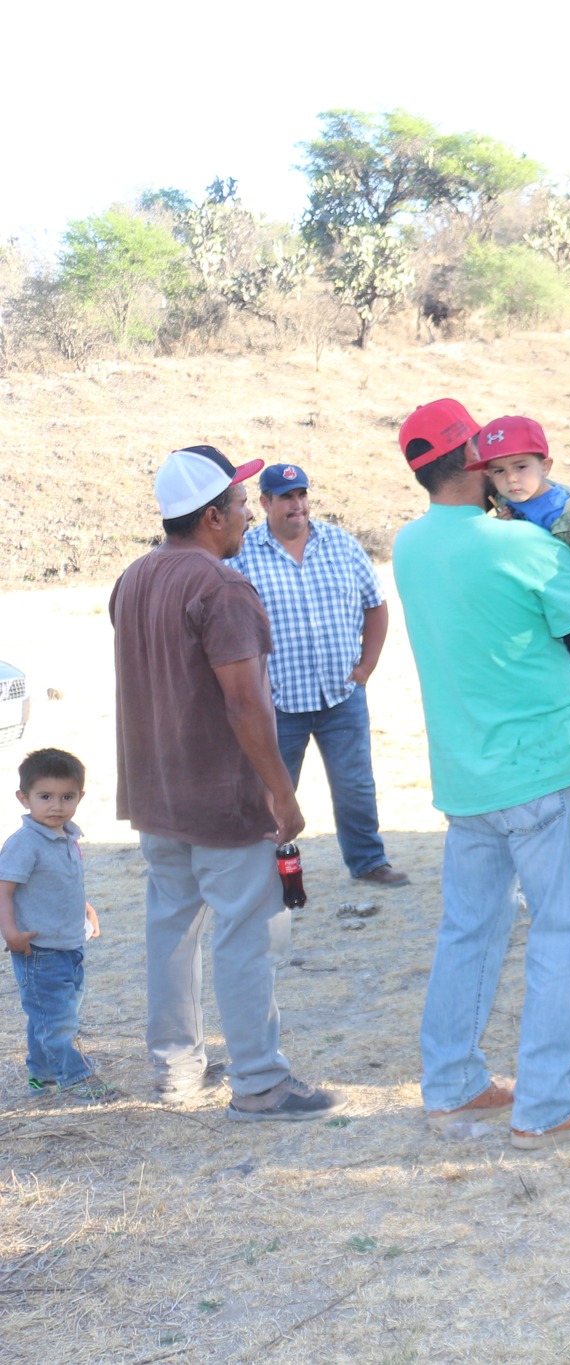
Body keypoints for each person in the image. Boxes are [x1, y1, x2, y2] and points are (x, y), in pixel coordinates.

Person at [393, 399, 570, 1150]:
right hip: (544, 766)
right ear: (475, 461)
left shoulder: (407, 546)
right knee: (564, 930)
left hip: (467, 775)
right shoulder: (516, 548)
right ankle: (548, 1101)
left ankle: (454, 1083)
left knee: (470, 929)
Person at [111, 445, 339, 1120]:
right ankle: (260, 1081)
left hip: (157, 792)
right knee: (247, 933)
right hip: (221, 796)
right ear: (211, 517)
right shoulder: (223, 588)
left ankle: (177, 1071)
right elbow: (245, 703)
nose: (248, 516)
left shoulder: (133, 577)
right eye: (241, 506)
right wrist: (283, 791)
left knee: (171, 930)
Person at [226, 462, 409, 887]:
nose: (297, 505)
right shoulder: (243, 555)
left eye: (302, 495)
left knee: (356, 784)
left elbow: (375, 605)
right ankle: (267, 872)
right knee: (272, 791)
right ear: (265, 502)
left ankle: (368, 861)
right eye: (286, 497)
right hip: (278, 703)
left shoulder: (341, 545)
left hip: (340, 696)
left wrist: (366, 667)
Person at [470, 416, 570, 767]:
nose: (511, 478)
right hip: (532, 606)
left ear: (546, 466)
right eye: (498, 470)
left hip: (566, 601)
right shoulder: (506, 498)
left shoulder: (569, 512)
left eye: (521, 466)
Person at [1, 748, 112, 1100]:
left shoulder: (68, 837)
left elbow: (62, 884)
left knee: (50, 1015)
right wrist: (11, 933)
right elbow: (4, 891)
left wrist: (86, 909)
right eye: (45, 797)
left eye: (67, 797)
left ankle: (42, 1074)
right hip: (39, 948)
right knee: (58, 1020)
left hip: (70, 945)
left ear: (80, 796)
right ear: (24, 797)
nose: (56, 806)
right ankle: (75, 1078)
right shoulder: (24, 843)